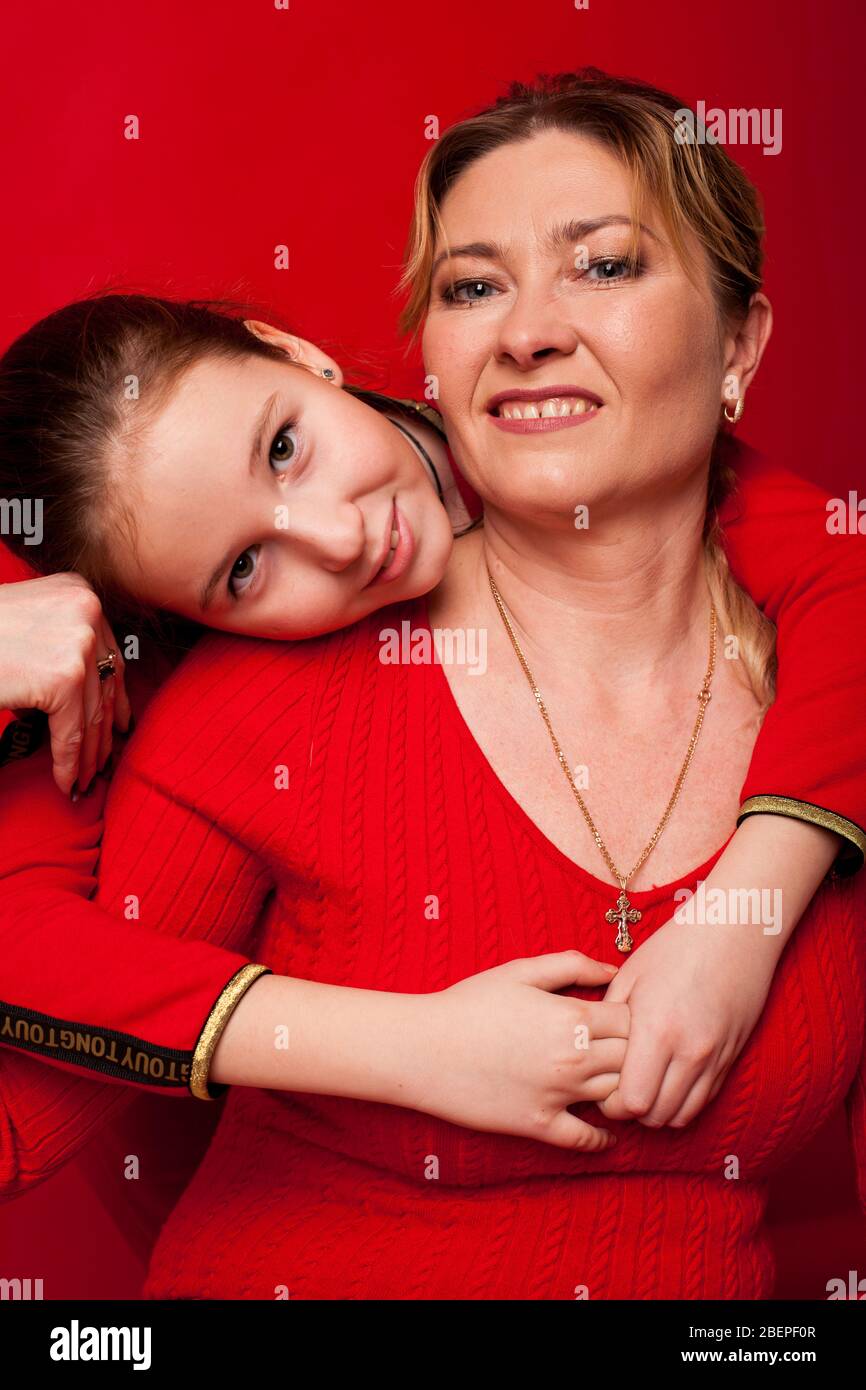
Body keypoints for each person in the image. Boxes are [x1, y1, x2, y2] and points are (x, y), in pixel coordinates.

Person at [2, 68, 863, 1297]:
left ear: (739, 344)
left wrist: (749, 903)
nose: (340, 538)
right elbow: (28, 1057)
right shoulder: (255, 705)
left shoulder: (826, 641)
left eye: (603, 265)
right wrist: (409, 1047)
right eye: (471, 287)